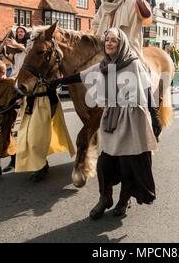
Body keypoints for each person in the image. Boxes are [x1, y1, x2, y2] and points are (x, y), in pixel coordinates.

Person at [57, 28, 160, 219]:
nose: (109, 43)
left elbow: (146, 90)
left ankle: (123, 201)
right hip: (112, 118)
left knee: (128, 163)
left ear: (121, 44)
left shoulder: (133, 63)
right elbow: (82, 75)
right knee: (105, 163)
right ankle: (105, 198)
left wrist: (155, 116)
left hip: (132, 119)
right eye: (107, 40)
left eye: (114, 40)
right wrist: (57, 82)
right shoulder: (105, 64)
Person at [93, 0, 152, 70]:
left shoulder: (131, 2)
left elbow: (146, 15)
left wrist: (139, 0)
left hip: (127, 53)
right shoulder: (103, 8)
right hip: (104, 51)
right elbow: (95, 27)